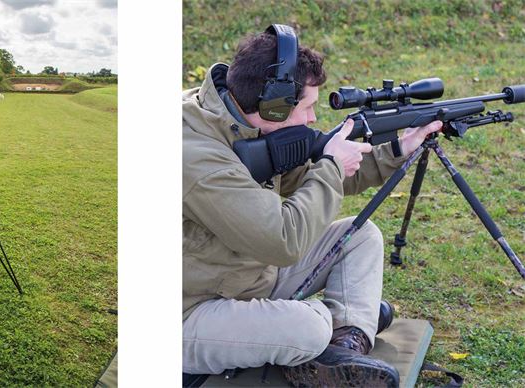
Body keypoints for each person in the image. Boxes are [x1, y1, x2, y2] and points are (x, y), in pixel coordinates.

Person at [182, 25, 443, 386]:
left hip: (246, 277)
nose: (312, 120)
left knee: (361, 235)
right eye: (306, 107)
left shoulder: (237, 119)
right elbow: (283, 241)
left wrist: (397, 149)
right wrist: (332, 165)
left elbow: (307, 176)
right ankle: (334, 325)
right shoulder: (197, 155)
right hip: (189, 311)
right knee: (311, 326)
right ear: (273, 107)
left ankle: (348, 341)